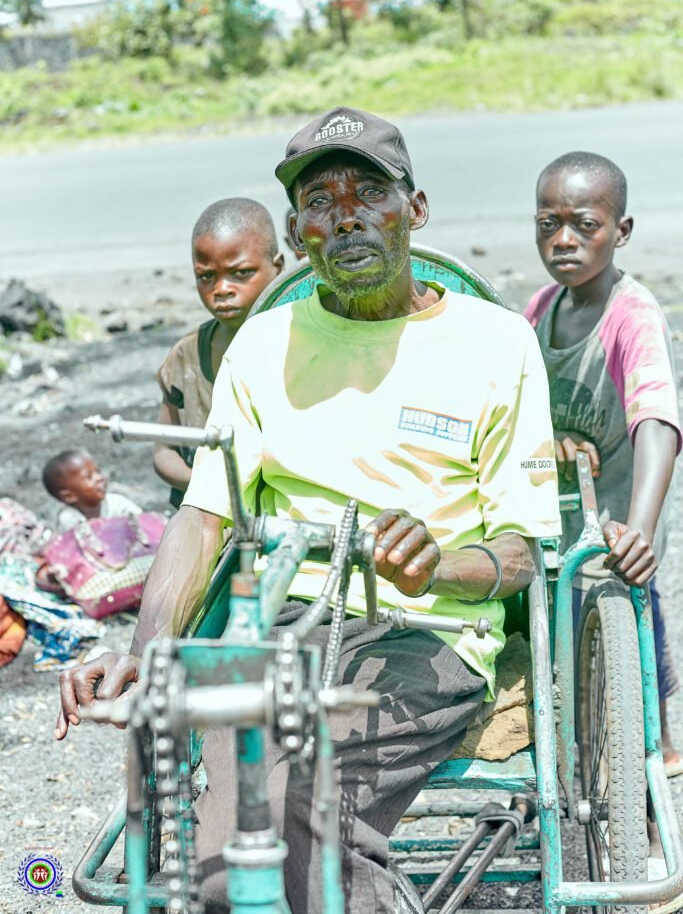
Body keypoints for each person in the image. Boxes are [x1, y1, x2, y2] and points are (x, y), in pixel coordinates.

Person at [56, 107, 561, 914]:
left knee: (308, 819)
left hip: (423, 637)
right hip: (283, 625)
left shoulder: (496, 344)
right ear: (299, 232)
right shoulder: (263, 344)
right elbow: (204, 516)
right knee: (222, 869)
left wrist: (436, 562)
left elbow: (520, 552)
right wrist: (148, 651)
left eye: (369, 190)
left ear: (415, 209)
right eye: (320, 200)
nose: (347, 213)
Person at [524, 150, 682, 777]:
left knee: (635, 632)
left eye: (584, 224)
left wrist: (640, 528)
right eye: (547, 223)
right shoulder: (540, 310)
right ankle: (576, 761)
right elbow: (523, 408)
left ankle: (652, 758)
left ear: (621, 231)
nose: (564, 240)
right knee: (563, 646)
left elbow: (658, 419)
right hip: (563, 515)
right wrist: (552, 442)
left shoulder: (632, 314)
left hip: (620, 514)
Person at [153, 198, 284, 506]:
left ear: (277, 268)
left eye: (241, 273)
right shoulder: (187, 356)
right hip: (208, 511)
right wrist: (206, 484)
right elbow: (164, 450)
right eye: (207, 277)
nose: (222, 289)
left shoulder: (302, 339)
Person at [42, 449, 141, 534]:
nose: (100, 478)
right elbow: (70, 550)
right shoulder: (68, 520)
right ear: (70, 496)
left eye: (98, 471)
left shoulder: (118, 504)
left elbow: (145, 524)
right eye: (89, 477)